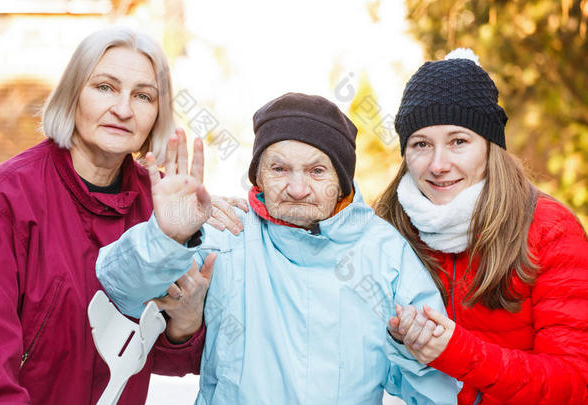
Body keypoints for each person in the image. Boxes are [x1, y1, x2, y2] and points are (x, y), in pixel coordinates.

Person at [96, 93, 461, 404]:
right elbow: (119, 289)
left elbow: (438, 389)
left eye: (317, 171)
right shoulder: (225, 232)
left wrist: (411, 349)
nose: (298, 188)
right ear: (258, 175)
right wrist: (165, 236)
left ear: (342, 181)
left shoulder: (385, 253)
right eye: (280, 169)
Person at [0, 28, 209, 405]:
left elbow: (159, 361)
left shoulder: (162, 207)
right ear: (72, 95)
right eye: (105, 87)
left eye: (143, 96)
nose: (123, 109)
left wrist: (186, 322)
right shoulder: (3, 200)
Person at [380, 49, 588, 404]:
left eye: (458, 141)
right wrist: (254, 225)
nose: (438, 164)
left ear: (491, 146)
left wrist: (456, 351)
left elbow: (573, 381)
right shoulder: (386, 227)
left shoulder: (549, 229)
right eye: (421, 144)